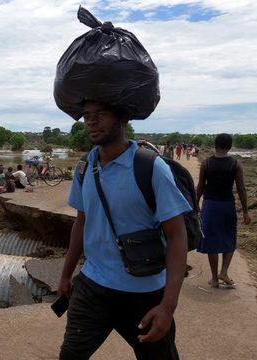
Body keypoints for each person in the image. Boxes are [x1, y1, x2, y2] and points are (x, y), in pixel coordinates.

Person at [58, 100, 191, 359]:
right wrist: (66, 274)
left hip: (144, 294)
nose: (91, 122)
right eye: (86, 116)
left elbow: (177, 235)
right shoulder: (85, 167)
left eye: (101, 114)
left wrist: (168, 305)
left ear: (122, 119)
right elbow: (81, 223)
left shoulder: (150, 167)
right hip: (93, 286)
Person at [196, 133, 251, 288]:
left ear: (215, 145)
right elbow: (241, 189)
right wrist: (246, 211)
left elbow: (200, 186)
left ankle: (214, 279)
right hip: (227, 205)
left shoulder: (207, 163)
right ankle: (224, 272)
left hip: (210, 206)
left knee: (211, 240)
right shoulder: (236, 164)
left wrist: (195, 205)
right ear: (230, 147)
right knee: (229, 237)